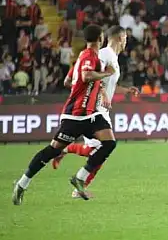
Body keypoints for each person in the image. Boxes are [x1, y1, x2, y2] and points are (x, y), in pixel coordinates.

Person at [12, 25, 117, 205]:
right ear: (100, 39)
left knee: (109, 143)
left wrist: (85, 92)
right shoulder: (88, 56)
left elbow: (69, 80)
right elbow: (85, 76)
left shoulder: (85, 58)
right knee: (52, 150)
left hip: (90, 115)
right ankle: (22, 184)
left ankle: (80, 177)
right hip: (75, 116)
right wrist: (105, 74)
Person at [52, 26, 138, 198]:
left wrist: (125, 90)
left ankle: (75, 173)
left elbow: (108, 84)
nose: (127, 41)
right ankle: (78, 183)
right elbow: (89, 77)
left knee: (99, 151)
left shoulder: (114, 58)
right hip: (92, 107)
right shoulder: (105, 54)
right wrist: (103, 93)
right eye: (126, 37)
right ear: (120, 38)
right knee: (103, 147)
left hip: (102, 109)